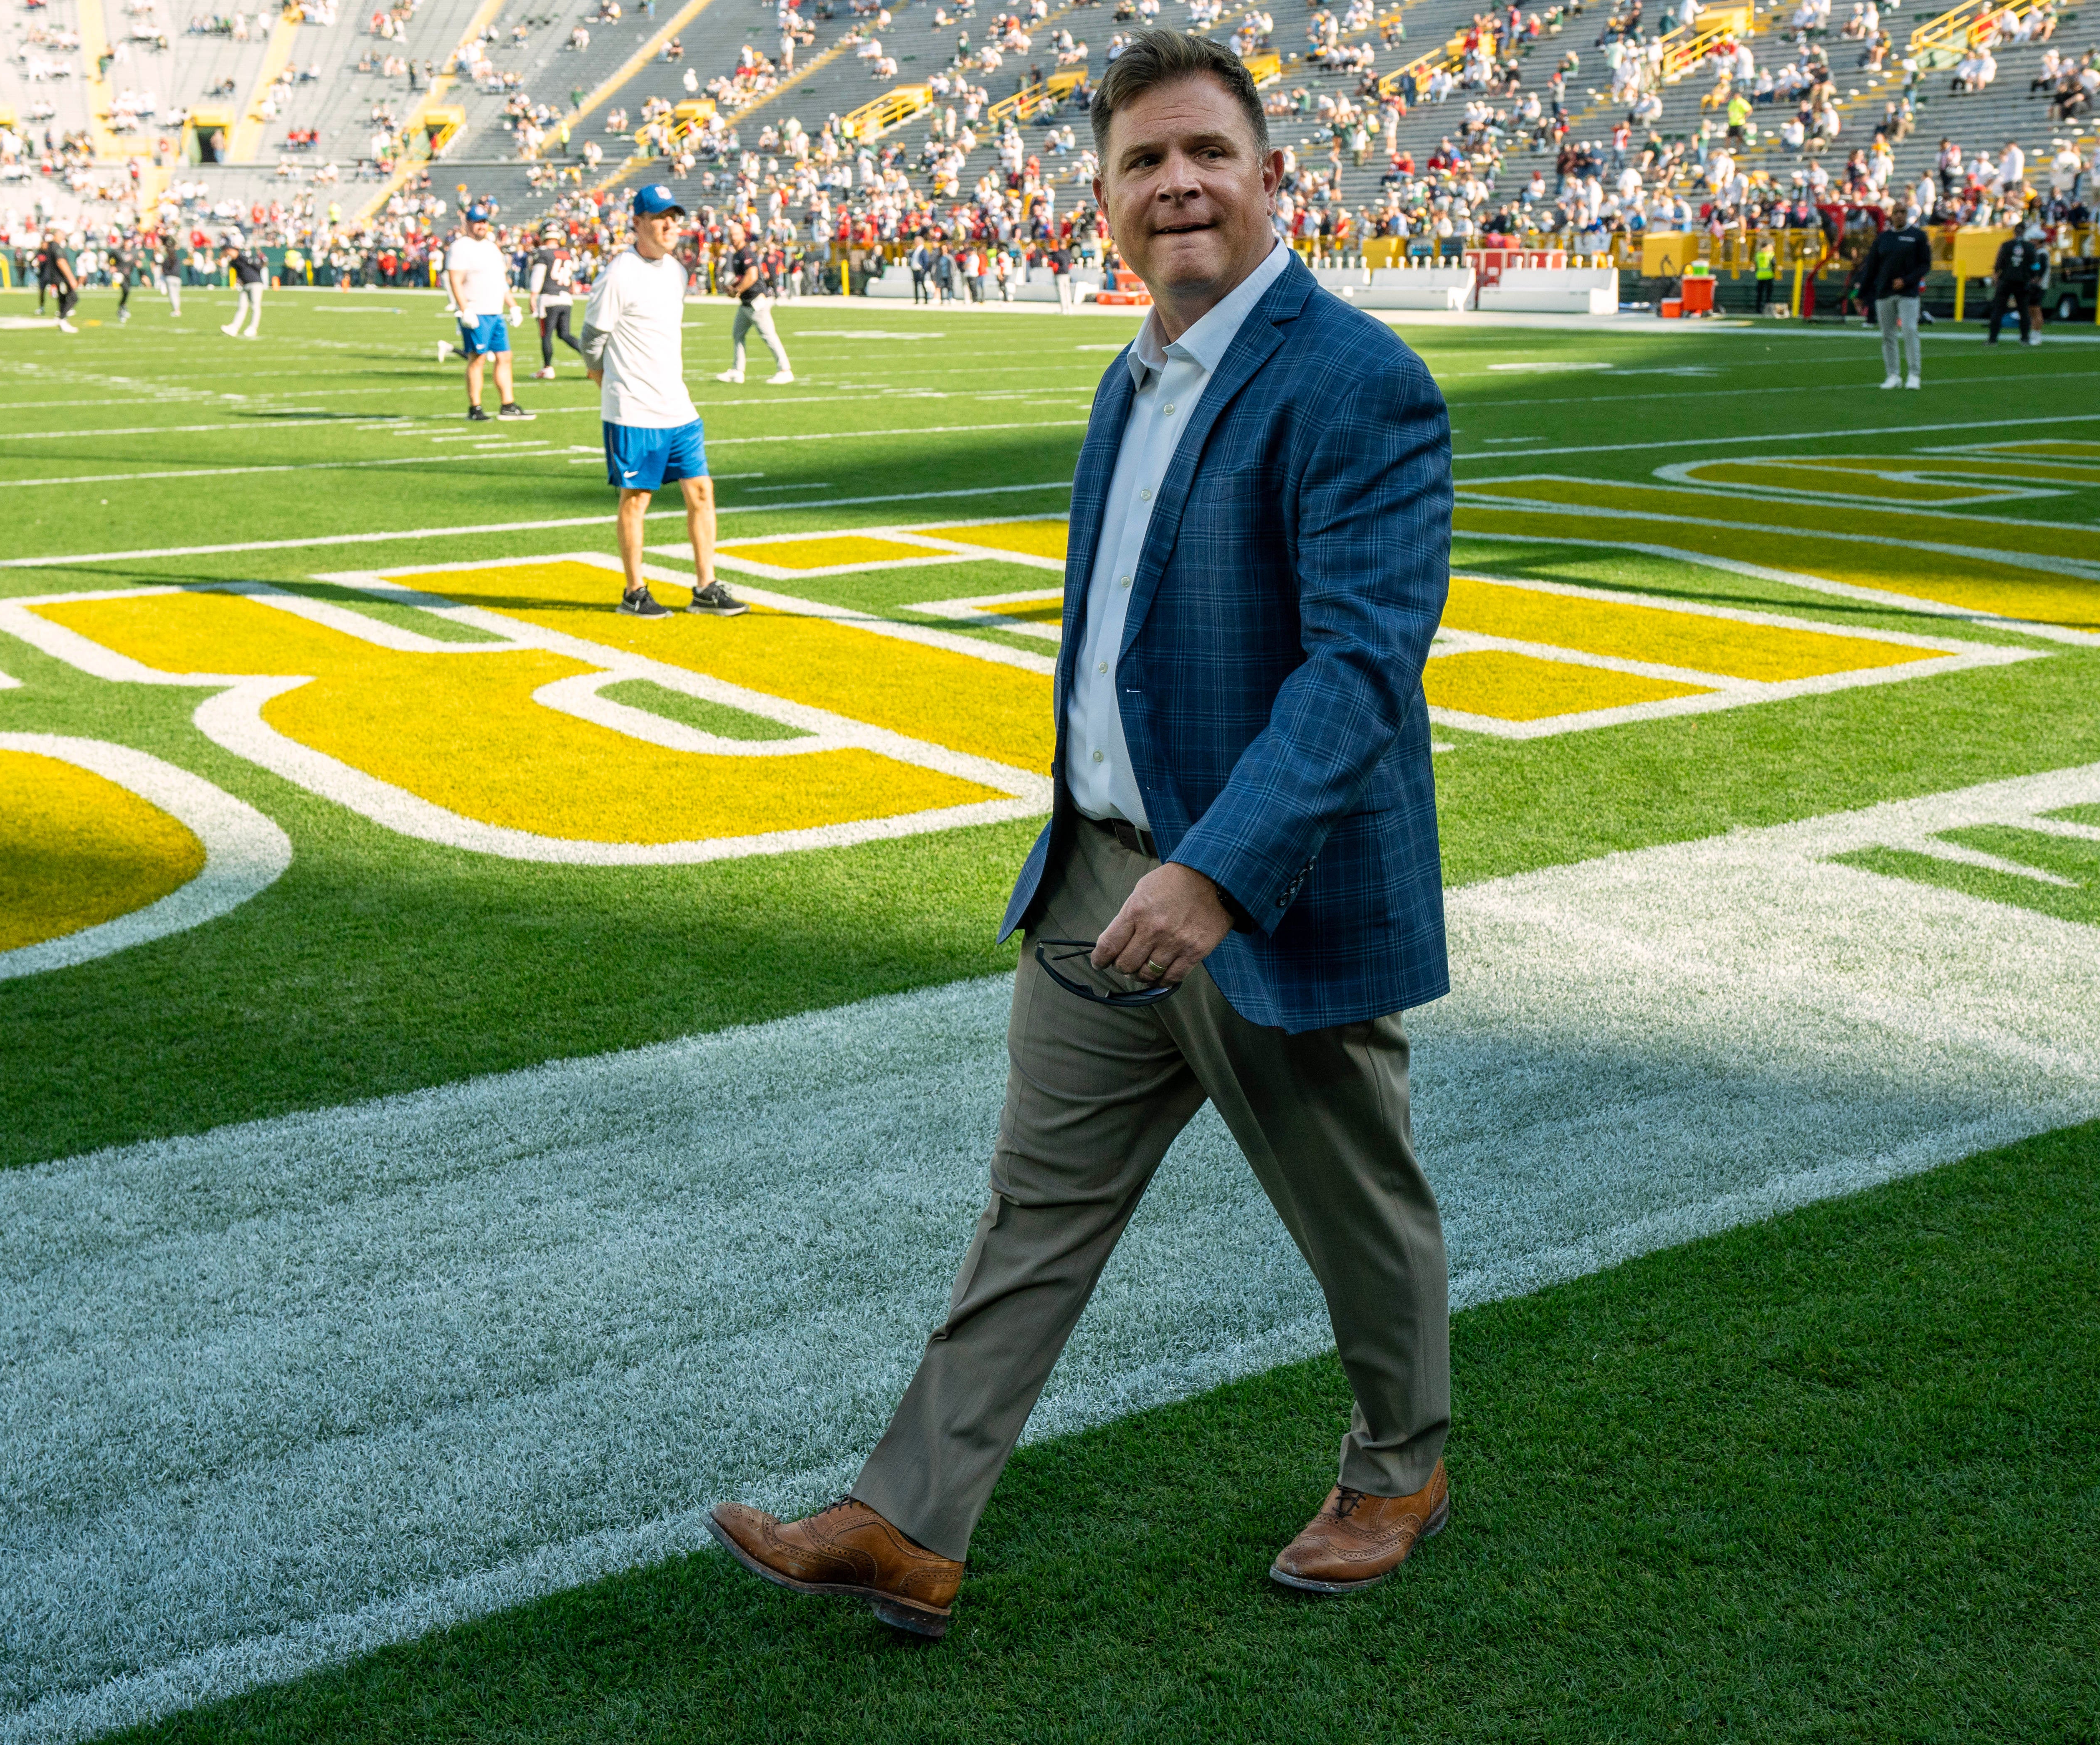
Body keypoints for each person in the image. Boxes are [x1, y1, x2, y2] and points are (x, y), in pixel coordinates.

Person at [707, 29, 1456, 1639]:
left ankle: (1398, 1464)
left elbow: (1359, 668)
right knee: (1034, 1209)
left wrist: (1218, 867)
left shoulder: (1360, 381)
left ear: (1272, 177)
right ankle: (908, 1520)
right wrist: (1117, 840)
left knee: (1354, 1201)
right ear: (1104, 204)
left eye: (1204, 154)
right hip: (1098, 872)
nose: (1174, 183)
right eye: (1140, 164)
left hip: (1262, 888)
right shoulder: (1137, 371)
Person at [582, 183, 742, 616]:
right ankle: (635, 592)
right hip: (633, 407)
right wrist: (605, 382)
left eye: (675, 216)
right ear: (638, 223)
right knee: (636, 498)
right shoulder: (619, 272)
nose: (670, 224)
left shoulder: (676, 271)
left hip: (677, 405)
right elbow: (593, 337)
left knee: (702, 492)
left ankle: (706, 586)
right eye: (659, 217)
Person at [443, 207, 527, 418]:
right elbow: (455, 280)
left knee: (505, 357)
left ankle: (508, 405)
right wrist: (465, 309)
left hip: (495, 311)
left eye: (484, 221)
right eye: (476, 221)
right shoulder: (461, 247)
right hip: (476, 310)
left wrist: (514, 306)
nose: (481, 225)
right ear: (468, 223)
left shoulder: (492, 247)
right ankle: (476, 408)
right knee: (478, 358)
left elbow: (500, 282)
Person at [714, 219, 795, 384]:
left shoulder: (747, 253)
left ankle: (785, 370)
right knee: (738, 335)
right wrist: (731, 288)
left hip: (756, 303)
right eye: (731, 235)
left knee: (769, 337)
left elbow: (752, 276)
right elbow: (742, 278)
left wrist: (736, 291)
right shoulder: (737, 254)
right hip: (746, 304)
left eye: (736, 234)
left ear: (743, 235)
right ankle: (738, 371)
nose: (733, 237)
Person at [1862, 201, 1930, 387]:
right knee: (1888, 335)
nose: (1900, 215)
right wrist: (1862, 293)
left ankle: (1914, 374)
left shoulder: (1918, 236)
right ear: (1891, 215)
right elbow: (1872, 267)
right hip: (1884, 292)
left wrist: (1907, 280)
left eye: (1903, 212)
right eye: (1896, 212)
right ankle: (1893, 375)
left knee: (1910, 330)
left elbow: (1925, 265)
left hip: (1908, 293)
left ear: (1907, 214)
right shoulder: (1883, 239)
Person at [524, 221, 575, 380]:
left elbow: (539, 275)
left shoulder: (543, 253)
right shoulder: (567, 254)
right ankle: (592, 362)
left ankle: (547, 368)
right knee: (565, 335)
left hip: (548, 299)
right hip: (566, 299)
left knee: (546, 335)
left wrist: (533, 296)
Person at [1983, 223, 2047, 344]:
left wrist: (1997, 275)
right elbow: (2035, 265)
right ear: (2024, 233)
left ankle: (1993, 339)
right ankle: (2025, 338)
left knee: (1998, 310)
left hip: (2006, 280)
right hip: (2022, 282)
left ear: (2014, 232)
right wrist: (2033, 276)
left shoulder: (2007, 245)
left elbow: (1999, 262)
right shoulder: (2030, 247)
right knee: (2024, 311)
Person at [221, 237, 266, 337]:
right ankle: (234, 328)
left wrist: (255, 278)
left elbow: (258, 267)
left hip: (255, 284)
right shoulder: (233, 262)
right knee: (241, 307)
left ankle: (253, 328)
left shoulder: (243, 258)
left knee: (255, 306)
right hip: (245, 285)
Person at [37, 230, 81, 332]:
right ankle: (62, 319)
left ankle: (63, 322)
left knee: (62, 300)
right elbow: (61, 262)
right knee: (73, 298)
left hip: (55, 278)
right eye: (62, 235)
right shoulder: (56, 247)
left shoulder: (51, 247)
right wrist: (71, 279)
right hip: (61, 279)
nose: (63, 237)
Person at [159, 232, 187, 316]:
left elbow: (164, 269)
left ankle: (176, 311)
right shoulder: (176, 258)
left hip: (170, 278)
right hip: (178, 278)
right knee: (177, 295)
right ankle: (178, 310)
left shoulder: (167, 259)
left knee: (172, 295)